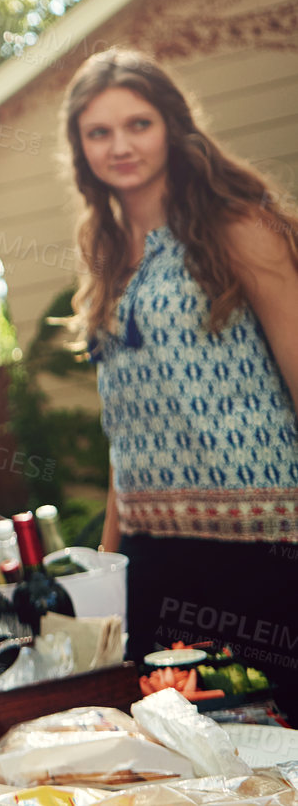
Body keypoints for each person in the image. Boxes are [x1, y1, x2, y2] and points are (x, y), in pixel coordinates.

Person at [64, 49, 298, 706]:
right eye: (98, 132)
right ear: (80, 150)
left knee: (280, 728)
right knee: (177, 745)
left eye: (137, 124)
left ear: (171, 125)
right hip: (154, 552)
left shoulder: (235, 226)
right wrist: (109, 568)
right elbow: (126, 428)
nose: (120, 146)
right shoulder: (103, 252)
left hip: (262, 540)